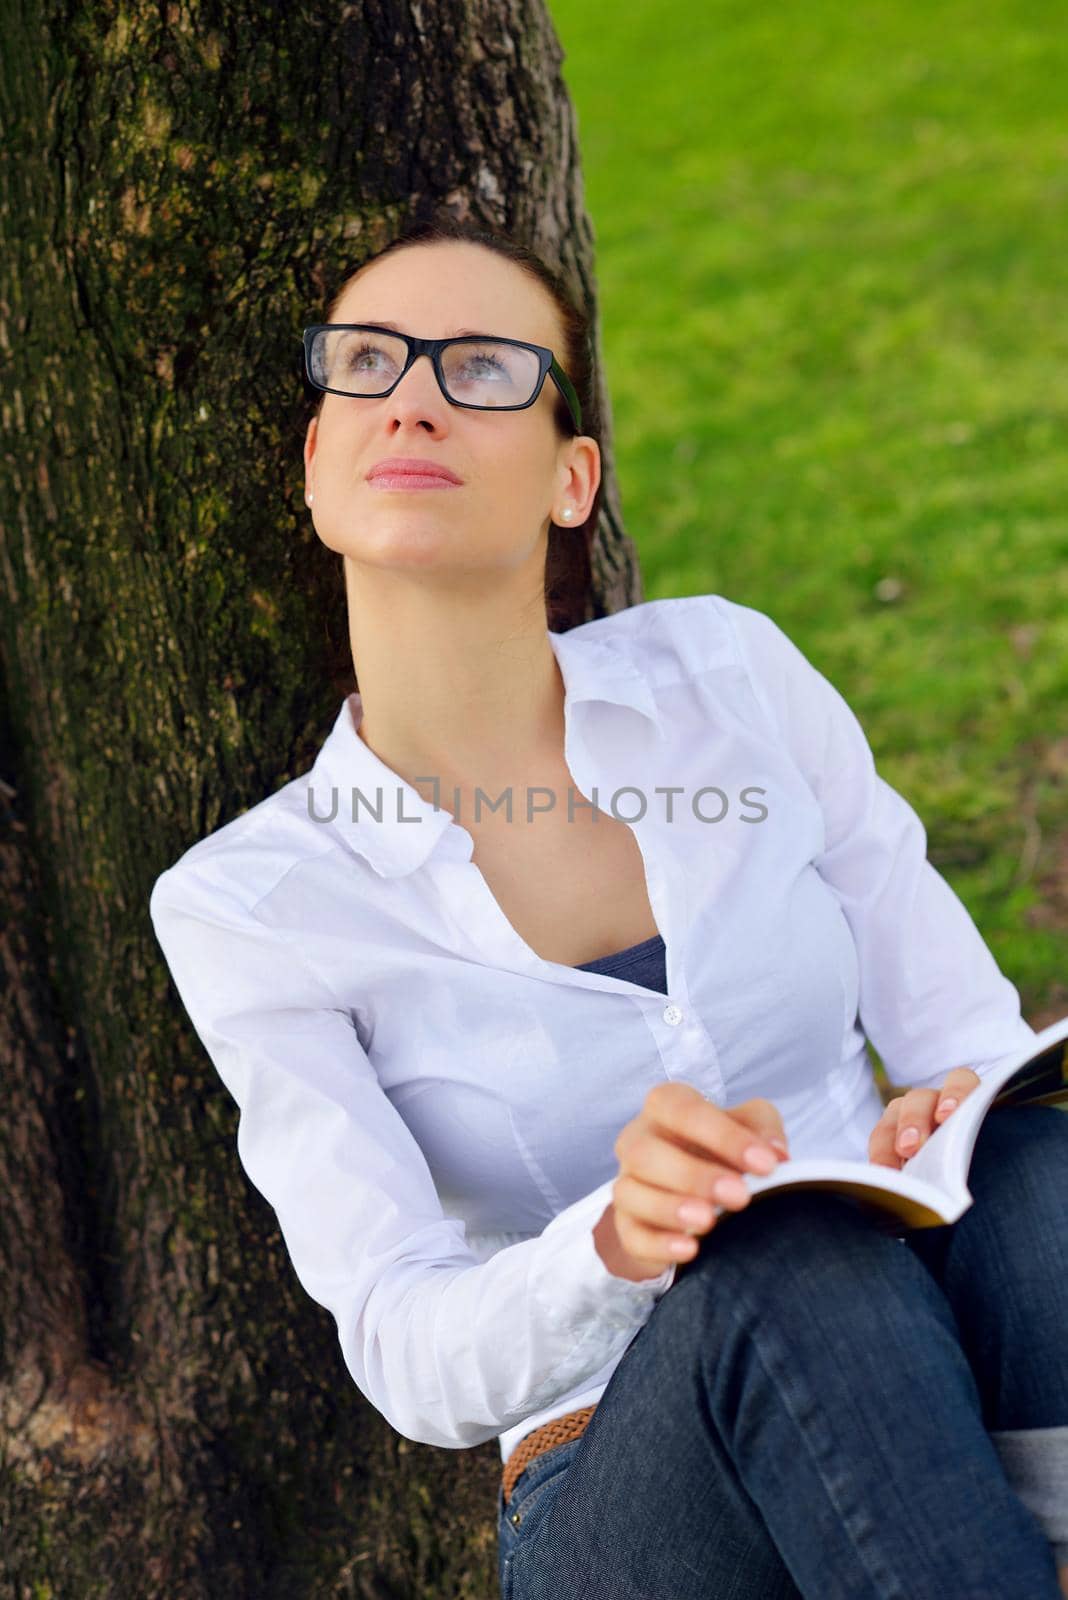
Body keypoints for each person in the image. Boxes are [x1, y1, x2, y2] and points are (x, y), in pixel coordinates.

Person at [148, 217, 1068, 1599]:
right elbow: (403, 1345)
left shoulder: (730, 676)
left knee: (1037, 1171)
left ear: (571, 480)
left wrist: (958, 1099)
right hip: (618, 1489)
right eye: (368, 362)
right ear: (317, 467)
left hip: (918, 1358)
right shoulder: (251, 904)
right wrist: (617, 1241)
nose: (413, 395)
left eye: (481, 367)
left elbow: (965, 1037)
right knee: (786, 1256)